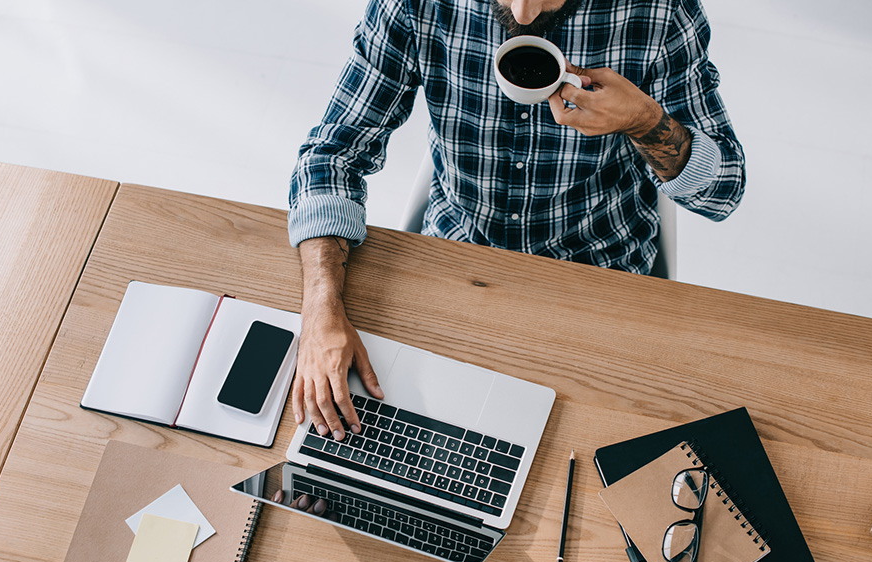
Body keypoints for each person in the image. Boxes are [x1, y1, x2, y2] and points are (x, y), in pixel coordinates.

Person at [286, 0, 745, 441]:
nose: (523, 13)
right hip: (456, 266)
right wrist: (320, 310)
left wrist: (644, 120)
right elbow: (332, 154)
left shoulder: (660, 11)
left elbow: (723, 192)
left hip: (597, 279)